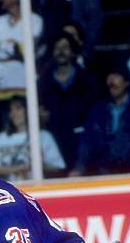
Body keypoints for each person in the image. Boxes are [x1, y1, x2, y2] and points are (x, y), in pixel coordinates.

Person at [39, 32, 98, 171]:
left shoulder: (87, 80)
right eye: (57, 48)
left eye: (65, 47)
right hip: (54, 139)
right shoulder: (43, 81)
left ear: (73, 52)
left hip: (81, 139)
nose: (61, 52)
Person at [0, 95, 66, 180]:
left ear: (29, 110)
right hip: (9, 189)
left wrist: (37, 166)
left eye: (18, 108)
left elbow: (58, 166)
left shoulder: (44, 136)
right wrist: (18, 169)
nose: (13, 113)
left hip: (36, 186)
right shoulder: (2, 137)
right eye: (11, 110)